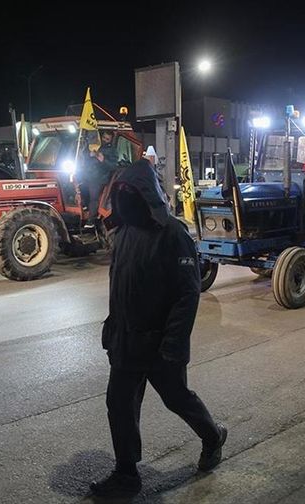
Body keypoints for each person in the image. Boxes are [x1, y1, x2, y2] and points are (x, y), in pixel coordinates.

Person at [89, 159, 227, 498]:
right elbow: (118, 285)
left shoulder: (173, 234)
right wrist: (112, 325)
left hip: (160, 344)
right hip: (126, 342)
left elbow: (187, 293)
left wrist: (174, 344)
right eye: (119, 193)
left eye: (128, 193)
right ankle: (126, 474)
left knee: (177, 399)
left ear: (145, 195)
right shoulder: (122, 234)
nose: (122, 200)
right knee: (119, 403)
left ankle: (212, 436)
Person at [84, 131, 118, 229]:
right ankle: (84, 207)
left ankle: (91, 220)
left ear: (111, 140)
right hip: (88, 175)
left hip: (100, 177)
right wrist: (88, 155)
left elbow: (113, 166)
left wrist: (103, 160)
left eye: (107, 139)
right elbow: (85, 157)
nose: (105, 140)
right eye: (104, 137)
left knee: (94, 198)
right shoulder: (94, 146)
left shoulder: (112, 151)